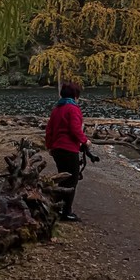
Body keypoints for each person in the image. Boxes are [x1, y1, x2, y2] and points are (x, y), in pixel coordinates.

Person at [44, 81, 89, 222]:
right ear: (75, 95)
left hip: (57, 149)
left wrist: (50, 146)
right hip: (68, 148)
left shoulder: (57, 108)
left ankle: (56, 207)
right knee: (71, 180)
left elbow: (49, 129)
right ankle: (66, 211)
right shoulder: (72, 108)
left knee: (63, 178)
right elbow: (75, 129)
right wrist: (85, 140)